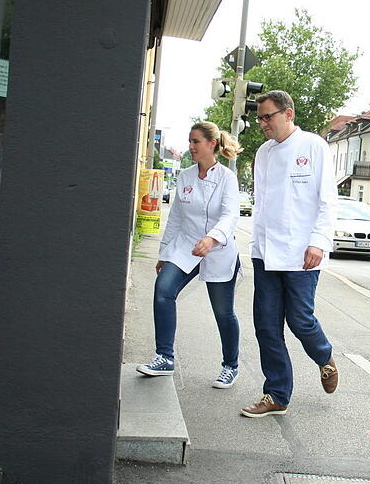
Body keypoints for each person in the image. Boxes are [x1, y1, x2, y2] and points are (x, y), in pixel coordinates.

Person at [240, 90, 339, 418]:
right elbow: (263, 203)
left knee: (299, 319)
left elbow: (327, 200)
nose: (263, 123)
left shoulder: (313, 146)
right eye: (260, 118)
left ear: (289, 114)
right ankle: (277, 394)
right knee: (266, 324)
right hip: (266, 251)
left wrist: (319, 241)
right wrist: (256, 244)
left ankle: (324, 357)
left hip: (302, 252)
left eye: (268, 116)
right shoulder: (263, 153)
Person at [137, 121, 243, 390]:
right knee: (163, 290)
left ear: (211, 144)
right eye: (190, 141)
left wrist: (212, 237)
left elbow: (231, 215)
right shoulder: (184, 176)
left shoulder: (227, 179)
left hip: (217, 248)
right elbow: (175, 218)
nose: (191, 146)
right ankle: (164, 357)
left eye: (196, 141)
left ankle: (230, 365)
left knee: (223, 312)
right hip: (186, 245)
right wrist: (165, 252)